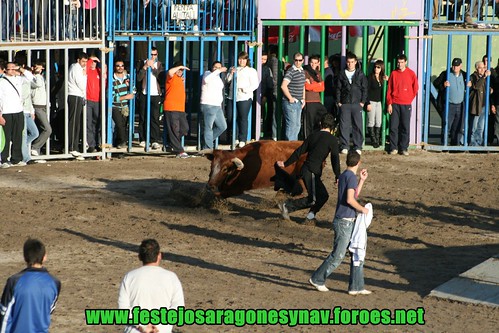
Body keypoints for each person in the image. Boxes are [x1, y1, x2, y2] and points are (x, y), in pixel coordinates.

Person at [308, 150, 371, 295]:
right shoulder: (350, 177)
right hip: (345, 222)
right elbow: (350, 199)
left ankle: (357, 286)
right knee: (338, 255)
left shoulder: (344, 175)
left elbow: (352, 195)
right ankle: (317, 279)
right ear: (359, 162)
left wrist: (361, 180)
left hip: (344, 221)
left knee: (356, 253)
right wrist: (363, 209)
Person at [277, 113, 340, 225]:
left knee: (324, 196)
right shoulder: (332, 140)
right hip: (311, 171)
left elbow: (299, 152)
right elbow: (335, 159)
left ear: (321, 124)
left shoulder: (313, 136)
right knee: (313, 199)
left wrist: (286, 163)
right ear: (332, 127)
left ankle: (310, 216)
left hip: (308, 170)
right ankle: (287, 206)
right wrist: (337, 176)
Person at [118, 239, 184, 333]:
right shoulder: (171, 278)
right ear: (159, 255)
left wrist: (143, 326)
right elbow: (178, 310)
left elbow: (123, 311)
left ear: (140, 257)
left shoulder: (129, 277)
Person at [0, 238, 61, 333]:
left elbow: (5, 314)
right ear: (44, 257)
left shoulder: (14, 281)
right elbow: (49, 309)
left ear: (25, 257)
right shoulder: (54, 282)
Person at [0, 62, 36, 168]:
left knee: (18, 136)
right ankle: (4, 159)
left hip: (19, 111)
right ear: (5, 70)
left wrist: (20, 69)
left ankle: (16, 158)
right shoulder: (2, 81)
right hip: (6, 112)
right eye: (9, 69)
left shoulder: (19, 79)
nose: (12, 71)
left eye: (13, 69)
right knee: (6, 137)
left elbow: (31, 77)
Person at [433, 57, 470, 146]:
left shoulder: (465, 75)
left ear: (460, 66)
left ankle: (455, 145)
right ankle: (444, 144)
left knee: (458, 127)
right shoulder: (446, 74)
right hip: (449, 104)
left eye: (457, 66)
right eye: (453, 65)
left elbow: (470, 85)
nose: (455, 67)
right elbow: (435, 83)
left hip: (460, 104)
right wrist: (443, 85)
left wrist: (470, 85)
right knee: (447, 125)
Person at [336, 52, 368, 154]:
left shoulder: (360, 74)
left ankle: (357, 146)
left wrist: (362, 102)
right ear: (346, 62)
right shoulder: (342, 74)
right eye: (348, 62)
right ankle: (344, 145)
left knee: (357, 125)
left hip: (356, 104)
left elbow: (365, 89)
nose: (350, 64)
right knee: (344, 125)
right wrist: (339, 101)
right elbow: (338, 88)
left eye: (352, 62)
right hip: (345, 104)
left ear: (355, 62)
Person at [386, 54, 418, 156]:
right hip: (395, 103)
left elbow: (415, 88)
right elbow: (389, 89)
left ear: (406, 62)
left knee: (405, 126)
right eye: (398, 62)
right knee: (393, 127)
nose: (399, 64)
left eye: (402, 62)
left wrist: (409, 98)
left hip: (406, 104)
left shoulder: (411, 74)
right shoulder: (394, 73)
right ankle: (393, 147)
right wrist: (389, 103)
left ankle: (403, 148)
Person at [226, 51, 259, 148]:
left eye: (244, 59)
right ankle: (234, 137)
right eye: (240, 59)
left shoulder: (251, 71)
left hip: (244, 97)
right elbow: (227, 80)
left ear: (247, 60)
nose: (241, 61)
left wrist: (245, 90)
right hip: (232, 97)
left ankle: (242, 139)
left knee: (243, 118)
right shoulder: (233, 68)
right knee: (231, 117)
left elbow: (255, 84)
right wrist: (231, 73)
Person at [137, 47, 164, 150]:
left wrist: (153, 67)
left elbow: (160, 78)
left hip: (155, 94)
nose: (153, 57)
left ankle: (154, 140)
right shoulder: (141, 63)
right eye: (151, 54)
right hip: (144, 93)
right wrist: (145, 67)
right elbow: (139, 78)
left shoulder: (159, 64)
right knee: (143, 117)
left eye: (155, 55)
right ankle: (143, 139)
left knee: (155, 118)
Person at [163, 62, 190, 158]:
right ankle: (179, 150)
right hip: (171, 107)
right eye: (179, 70)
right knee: (174, 129)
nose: (180, 71)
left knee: (184, 129)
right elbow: (170, 72)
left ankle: (172, 143)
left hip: (180, 108)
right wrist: (179, 67)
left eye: (182, 70)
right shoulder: (171, 77)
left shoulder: (180, 79)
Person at [200, 61, 227, 149]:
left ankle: (206, 142)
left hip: (217, 105)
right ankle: (208, 148)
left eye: (219, 67)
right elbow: (206, 80)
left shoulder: (218, 78)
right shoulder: (207, 74)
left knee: (222, 126)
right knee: (209, 127)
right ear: (212, 67)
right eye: (215, 67)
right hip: (208, 104)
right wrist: (218, 71)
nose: (217, 69)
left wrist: (230, 73)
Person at [281, 52, 306, 141]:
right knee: (291, 125)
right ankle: (290, 146)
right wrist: (290, 98)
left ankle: (293, 145)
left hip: (299, 102)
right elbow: (283, 86)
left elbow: (303, 85)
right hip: (290, 102)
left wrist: (303, 98)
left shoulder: (302, 71)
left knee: (297, 125)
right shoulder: (291, 71)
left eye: (300, 60)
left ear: (303, 61)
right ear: (293, 60)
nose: (298, 62)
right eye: (296, 60)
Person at [67, 51, 88, 158]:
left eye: (86, 61)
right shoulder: (76, 68)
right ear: (78, 60)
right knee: (74, 122)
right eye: (83, 61)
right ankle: (72, 147)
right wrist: (85, 76)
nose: (85, 64)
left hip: (78, 96)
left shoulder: (78, 68)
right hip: (74, 95)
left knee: (77, 123)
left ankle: (74, 146)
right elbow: (82, 84)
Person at [302, 54, 327, 138]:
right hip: (309, 101)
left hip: (317, 100)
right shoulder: (305, 72)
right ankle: (308, 139)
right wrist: (317, 85)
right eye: (312, 62)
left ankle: (316, 137)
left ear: (318, 63)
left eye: (315, 63)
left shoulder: (318, 73)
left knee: (322, 117)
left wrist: (313, 85)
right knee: (309, 123)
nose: (313, 64)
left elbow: (322, 88)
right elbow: (307, 87)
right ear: (309, 62)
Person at [111, 60, 135, 148]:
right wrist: (125, 97)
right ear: (114, 67)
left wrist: (129, 86)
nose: (120, 67)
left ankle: (119, 145)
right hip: (115, 107)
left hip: (125, 107)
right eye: (118, 66)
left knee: (123, 126)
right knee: (120, 125)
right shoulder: (112, 80)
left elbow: (134, 91)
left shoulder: (127, 77)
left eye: (122, 65)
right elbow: (112, 98)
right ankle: (122, 142)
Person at [31, 60, 52, 156]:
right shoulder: (34, 78)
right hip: (37, 106)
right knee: (47, 129)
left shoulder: (42, 78)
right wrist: (37, 74)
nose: (36, 68)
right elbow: (37, 84)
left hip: (43, 106)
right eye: (35, 66)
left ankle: (37, 151)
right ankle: (35, 147)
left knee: (41, 129)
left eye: (39, 66)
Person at [366, 59, 387, 148]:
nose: (376, 69)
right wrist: (367, 103)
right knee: (371, 122)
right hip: (371, 101)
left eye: (378, 67)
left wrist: (387, 80)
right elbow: (366, 91)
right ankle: (373, 140)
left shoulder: (382, 78)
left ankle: (377, 139)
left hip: (379, 102)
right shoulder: (370, 77)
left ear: (381, 68)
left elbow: (385, 90)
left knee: (378, 121)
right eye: (375, 67)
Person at [469, 61, 491, 146]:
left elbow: (485, 89)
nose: (482, 70)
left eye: (484, 68)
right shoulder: (473, 77)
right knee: (474, 127)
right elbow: (476, 86)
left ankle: (478, 143)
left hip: (484, 106)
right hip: (476, 105)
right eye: (480, 68)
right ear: (476, 68)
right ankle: (473, 144)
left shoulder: (485, 78)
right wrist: (484, 77)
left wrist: (490, 90)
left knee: (481, 128)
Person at [86, 54, 103, 153]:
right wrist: (91, 59)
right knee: (88, 123)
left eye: (95, 62)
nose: (93, 63)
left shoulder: (99, 72)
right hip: (88, 100)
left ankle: (99, 143)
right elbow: (86, 67)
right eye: (91, 61)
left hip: (98, 100)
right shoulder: (87, 71)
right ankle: (91, 145)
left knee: (97, 123)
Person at [260, 52, 275, 140]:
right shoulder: (254, 68)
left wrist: (265, 95)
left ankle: (265, 131)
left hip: (264, 94)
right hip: (254, 94)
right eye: (261, 59)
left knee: (264, 114)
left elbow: (269, 83)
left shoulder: (267, 69)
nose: (263, 61)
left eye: (265, 59)